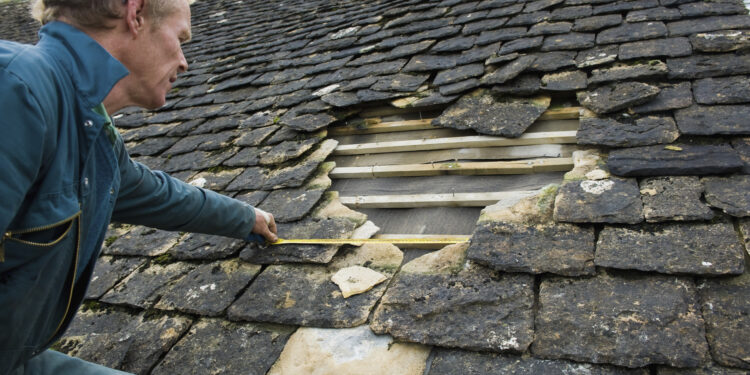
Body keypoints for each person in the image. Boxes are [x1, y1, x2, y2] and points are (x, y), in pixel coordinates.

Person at [0, 0, 278, 373]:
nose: (184, 61)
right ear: (136, 14)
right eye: (180, 38)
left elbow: (161, 195)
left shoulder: (97, 141)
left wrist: (247, 217)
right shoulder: (16, 89)